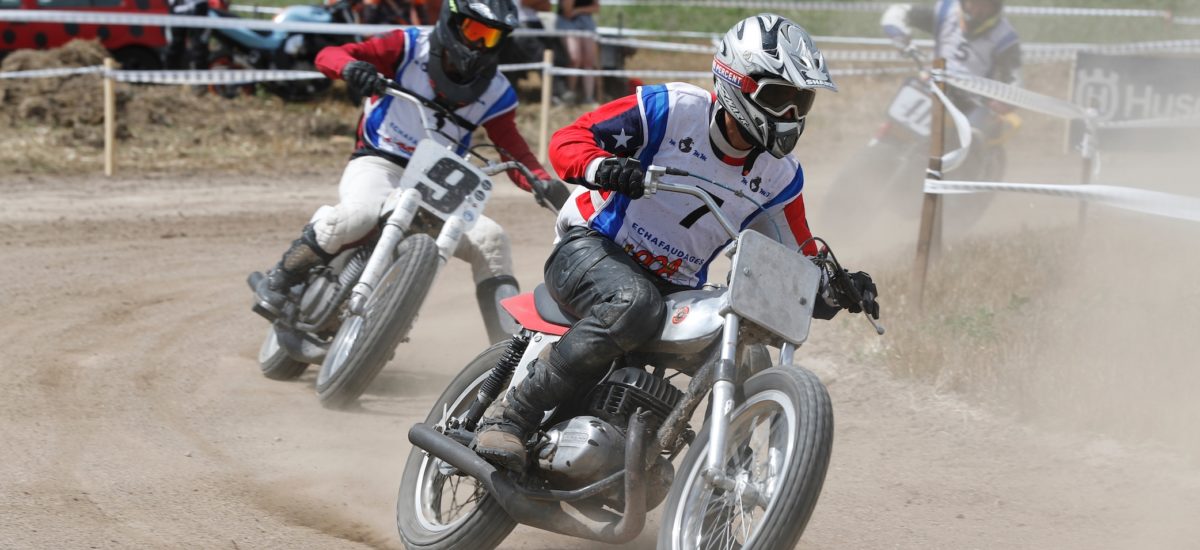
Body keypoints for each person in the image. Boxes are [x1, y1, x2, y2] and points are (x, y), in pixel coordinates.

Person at [472, 14, 881, 470]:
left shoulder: (781, 176)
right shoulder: (673, 109)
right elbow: (570, 138)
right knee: (634, 303)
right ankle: (512, 418)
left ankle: (720, 472)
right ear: (737, 83)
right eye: (780, 97)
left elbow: (799, 253)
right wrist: (602, 167)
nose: (790, 115)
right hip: (592, 246)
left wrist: (833, 287)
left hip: (674, 286)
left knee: (745, 345)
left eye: (801, 101)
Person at [249, 0, 568, 344]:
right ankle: (281, 278)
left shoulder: (497, 91)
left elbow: (511, 146)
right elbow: (329, 54)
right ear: (451, 21)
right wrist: (352, 68)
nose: (478, 45)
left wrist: (542, 180)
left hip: (439, 187)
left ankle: (504, 351)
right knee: (358, 216)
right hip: (380, 163)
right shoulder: (407, 45)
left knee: (492, 241)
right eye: (474, 31)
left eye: (489, 37)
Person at [882, 0, 1021, 138]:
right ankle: (880, 139)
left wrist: (1006, 99)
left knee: (974, 138)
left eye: (985, 5)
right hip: (934, 86)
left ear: (995, 7)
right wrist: (899, 36)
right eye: (973, 3)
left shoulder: (1005, 36)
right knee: (897, 119)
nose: (977, 10)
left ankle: (971, 157)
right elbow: (898, 13)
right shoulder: (947, 11)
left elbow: (1013, 76)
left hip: (973, 101)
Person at [555, 0, 600, 104]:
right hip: (567, 22)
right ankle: (570, 95)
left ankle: (588, 98)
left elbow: (596, 8)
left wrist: (578, 10)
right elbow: (568, 12)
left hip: (586, 21)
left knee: (589, 61)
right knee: (575, 59)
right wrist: (578, 11)